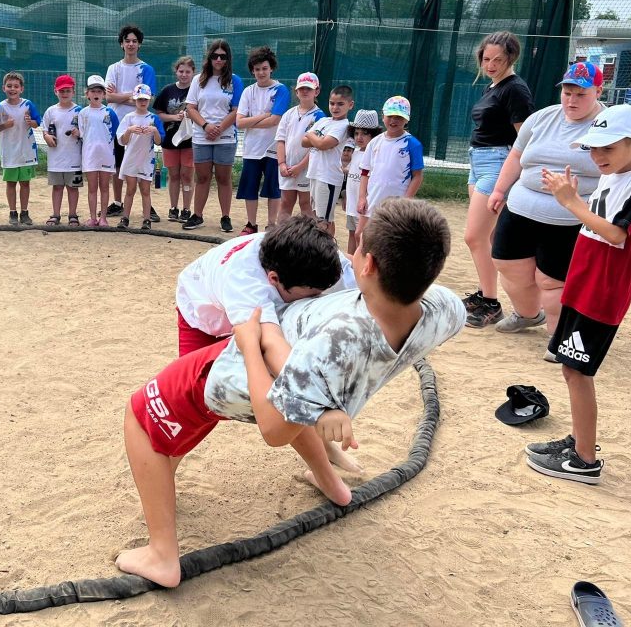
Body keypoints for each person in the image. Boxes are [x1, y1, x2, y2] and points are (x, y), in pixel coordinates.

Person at [116, 198, 465, 587]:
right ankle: (330, 482)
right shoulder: (448, 308)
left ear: (367, 264)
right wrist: (322, 403)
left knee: (145, 418)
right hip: (214, 317)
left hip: (237, 363)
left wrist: (252, 350)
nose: (351, 258)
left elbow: (275, 421)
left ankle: (162, 554)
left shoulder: (327, 329)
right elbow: (291, 371)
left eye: (358, 250)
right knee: (275, 404)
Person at [526, 104, 631, 485]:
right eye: (593, 149)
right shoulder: (615, 174)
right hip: (584, 286)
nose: (597, 157)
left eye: (608, 148)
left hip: (602, 293)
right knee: (569, 367)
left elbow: (617, 234)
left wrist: (571, 203)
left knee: (578, 372)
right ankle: (581, 440)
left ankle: (584, 461)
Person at [488, 62, 606, 339]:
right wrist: (498, 190)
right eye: (567, 93)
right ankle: (528, 315)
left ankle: (560, 339)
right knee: (507, 263)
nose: (571, 100)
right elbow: (516, 156)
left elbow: (628, 168)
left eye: (581, 94)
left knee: (552, 282)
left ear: (598, 91)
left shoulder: (608, 125)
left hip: (570, 215)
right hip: (521, 207)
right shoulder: (541, 118)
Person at [174, 214, 356, 357]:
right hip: (201, 309)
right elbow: (270, 342)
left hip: (240, 296)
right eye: (311, 295)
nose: (316, 299)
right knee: (198, 390)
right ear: (274, 279)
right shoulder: (247, 285)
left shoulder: (318, 256)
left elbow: (362, 273)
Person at [462, 32, 536, 328]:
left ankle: (491, 304)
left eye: (498, 60)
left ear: (511, 59)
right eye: (486, 59)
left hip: (497, 163)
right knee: (487, 237)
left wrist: (511, 179)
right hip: (478, 161)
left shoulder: (515, 89)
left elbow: (526, 137)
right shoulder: (493, 87)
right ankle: (485, 294)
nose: (490, 64)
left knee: (474, 236)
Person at [182, 39, 245, 232]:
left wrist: (219, 128)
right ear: (209, 57)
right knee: (202, 177)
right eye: (215, 56)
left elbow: (237, 109)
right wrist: (206, 125)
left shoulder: (234, 80)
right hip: (202, 136)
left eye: (223, 56)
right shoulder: (198, 79)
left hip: (225, 136)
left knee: (223, 178)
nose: (218, 60)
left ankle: (225, 217)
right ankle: (197, 215)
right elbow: (191, 107)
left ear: (228, 59)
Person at [105, 25, 158, 221]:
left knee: (142, 163)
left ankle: (147, 206)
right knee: (119, 164)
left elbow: (148, 97)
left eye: (134, 41)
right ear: (121, 44)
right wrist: (134, 95)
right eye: (127, 40)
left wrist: (122, 96)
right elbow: (109, 97)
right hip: (117, 121)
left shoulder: (146, 69)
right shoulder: (114, 68)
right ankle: (118, 203)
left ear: (139, 44)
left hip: (141, 122)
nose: (131, 44)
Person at [235, 46, 290, 234]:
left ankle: (271, 224)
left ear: (271, 68)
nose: (261, 72)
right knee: (250, 187)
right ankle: (251, 223)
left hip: (273, 148)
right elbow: (239, 122)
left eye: (264, 68)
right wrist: (262, 116)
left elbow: (275, 120)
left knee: (273, 188)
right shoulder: (248, 91)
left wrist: (251, 121)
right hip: (252, 148)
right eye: (257, 69)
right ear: (252, 70)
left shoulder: (280, 90)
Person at [356, 96, 424, 238]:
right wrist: (362, 198)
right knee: (360, 235)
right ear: (383, 116)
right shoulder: (374, 142)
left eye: (399, 117)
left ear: (407, 119)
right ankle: (362, 261)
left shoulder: (412, 144)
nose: (394, 121)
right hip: (373, 198)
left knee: (388, 238)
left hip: (396, 203)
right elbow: (365, 172)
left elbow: (417, 176)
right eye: (390, 116)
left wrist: (406, 200)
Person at [303, 84, 353, 234]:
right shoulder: (324, 121)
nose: (335, 107)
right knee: (317, 217)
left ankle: (327, 252)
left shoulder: (344, 125)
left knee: (324, 221)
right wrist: (315, 138)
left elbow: (323, 144)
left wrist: (311, 134)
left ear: (350, 105)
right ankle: (324, 250)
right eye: (332, 103)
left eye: (340, 104)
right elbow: (303, 142)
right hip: (315, 174)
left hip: (328, 177)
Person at [153, 56, 196, 223]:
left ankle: (186, 208)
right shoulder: (168, 90)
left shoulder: (196, 90)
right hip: (170, 139)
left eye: (188, 71)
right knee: (173, 174)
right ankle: (173, 207)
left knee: (187, 174)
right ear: (176, 72)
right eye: (181, 71)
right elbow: (159, 114)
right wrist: (174, 117)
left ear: (193, 73)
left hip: (190, 140)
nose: (184, 74)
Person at [116, 83, 165, 230]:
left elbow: (159, 141)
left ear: (149, 99)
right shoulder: (129, 118)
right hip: (131, 159)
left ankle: (147, 219)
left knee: (145, 190)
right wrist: (129, 130)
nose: (142, 102)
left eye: (145, 99)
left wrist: (155, 130)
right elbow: (122, 140)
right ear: (134, 100)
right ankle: (125, 218)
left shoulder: (154, 118)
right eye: (139, 99)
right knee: (130, 189)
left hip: (146, 159)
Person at [276, 72, 323, 222]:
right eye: (301, 88)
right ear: (296, 91)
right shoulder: (288, 114)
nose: (305, 91)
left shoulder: (320, 116)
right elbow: (280, 140)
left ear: (317, 91)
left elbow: (316, 147)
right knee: (285, 203)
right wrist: (282, 164)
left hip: (307, 170)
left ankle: (308, 241)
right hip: (287, 168)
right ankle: (279, 239)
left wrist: (300, 166)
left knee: (306, 205)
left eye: (308, 88)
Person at [0, 71, 41, 226]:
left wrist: (31, 122)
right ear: (3, 88)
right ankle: (12, 212)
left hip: (26, 150)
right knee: (10, 183)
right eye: (9, 86)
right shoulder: (0, 106)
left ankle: (24, 212)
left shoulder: (27, 104)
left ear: (21, 89)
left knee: (25, 183)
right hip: (9, 151)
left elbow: (38, 122)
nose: (12, 89)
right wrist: (5, 125)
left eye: (16, 86)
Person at [76, 74, 119, 227]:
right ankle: (93, 217)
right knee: (92, 187)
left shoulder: (109, 112)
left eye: (99, 91)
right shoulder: (82, 113)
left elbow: (115, 132)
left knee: (105, 187)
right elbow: (81, 133)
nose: (96, 94)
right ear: (87, 94)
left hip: (106, 155)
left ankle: (103, 218)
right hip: (89, 155)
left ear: (104, 94)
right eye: (92, 91)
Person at [42, 74, 83, 226]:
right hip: (56, 158)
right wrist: (46, 136)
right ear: (55, 91)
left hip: (74, 158)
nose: (64, 93)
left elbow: (86, 130)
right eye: (61, 91)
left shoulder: (80, 111)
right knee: (57, 187)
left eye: (68, 90)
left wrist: (79, 133)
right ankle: (55, 215)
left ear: (73, 91)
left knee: (73, 188)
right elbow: (44, 129)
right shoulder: (50, 111)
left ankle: (73, 215)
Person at [344, 110, 381, 255]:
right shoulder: (356, 152)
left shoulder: (374, 155)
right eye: (356, 133)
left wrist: (364, 199)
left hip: (364, 206)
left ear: (373, 135)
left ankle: (362, 263)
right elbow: (352, 179)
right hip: (352, 203)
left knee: (363, 237)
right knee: (352, 233)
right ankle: (350, 262)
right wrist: (347, 196)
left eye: (364, 133)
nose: (359, 137)